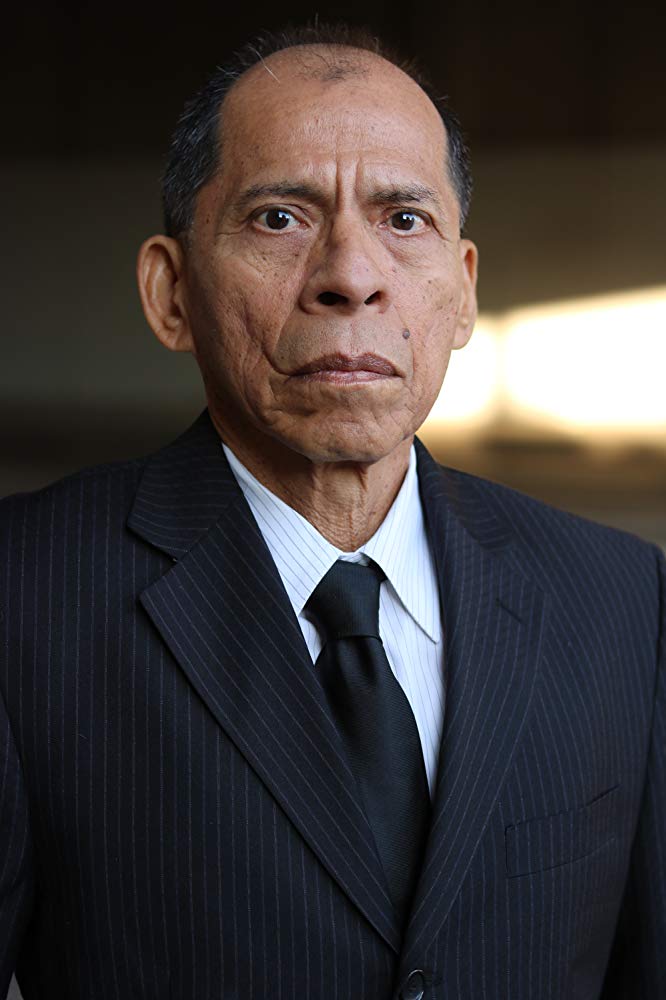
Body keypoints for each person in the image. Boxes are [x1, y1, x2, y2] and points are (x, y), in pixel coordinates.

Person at [0, 22, 664, 1000]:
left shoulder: (623, 600)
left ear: (463, 293)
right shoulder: (22, 595)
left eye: (405, 219)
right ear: (170, 292)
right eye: (279, 217)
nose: (352, 275)